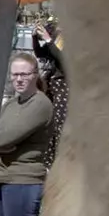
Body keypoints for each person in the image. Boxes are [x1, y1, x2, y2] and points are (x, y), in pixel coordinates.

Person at [0, 52, 53, 216]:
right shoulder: (10, 105)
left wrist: (2, 142)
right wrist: (1, 142)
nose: (18, 79)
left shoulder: (40, 104)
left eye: (24, 74)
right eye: (15, 74)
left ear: (34, 75)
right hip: (2, 177)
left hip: (24, 180)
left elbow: (2, 138)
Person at [32, 19, 69, 169]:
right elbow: (41, 53)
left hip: (65, 86)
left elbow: (64, 58)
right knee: (48, 123)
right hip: (52, 86)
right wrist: (35, 37)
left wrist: (48, 39)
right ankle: (48, 162)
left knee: (61, 125)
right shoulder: (59, 37)